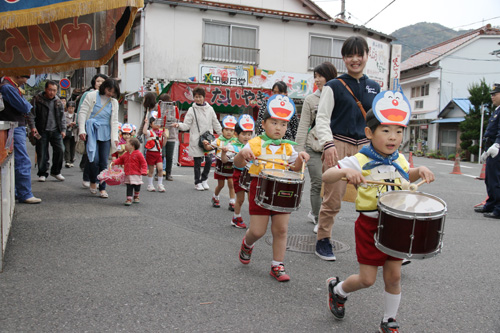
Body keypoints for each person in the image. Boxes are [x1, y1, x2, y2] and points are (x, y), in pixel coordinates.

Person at [322, 96, 434, 332]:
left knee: (394, 277)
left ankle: (389, 320)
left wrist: (419, 170)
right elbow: (327, 176)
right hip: (370, 226)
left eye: (398, 131)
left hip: (397, 226)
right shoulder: (359, 159)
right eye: (386, 130)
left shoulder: (399, 159)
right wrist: (345, 174)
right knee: (367, 280)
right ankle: (338, 290)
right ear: (369, 133)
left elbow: (408, 174)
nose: (393, 137)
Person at [314, 36, 381, 261]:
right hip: (337, 144)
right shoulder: (333, 86)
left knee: (377, 197)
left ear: (366, 55)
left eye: (359, 54)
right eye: (349, 55)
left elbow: (378, 122)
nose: (355, 60)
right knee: (333, 198)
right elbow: (322, 118)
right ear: (343, 58)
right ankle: (323, 240)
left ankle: (385, 244)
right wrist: (328, 144)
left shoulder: (375, 87)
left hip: (366, 148)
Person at [234, 94, 309, 282]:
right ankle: (247, 243)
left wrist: (300, 158)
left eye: (283, 124)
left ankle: (277, 265)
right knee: (257, 231)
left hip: (283, 189)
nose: (279, 128)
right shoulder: (255, 143)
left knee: (281, 230)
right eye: (274, 123)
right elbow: (237, 163)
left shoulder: (288, 147)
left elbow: (295, 169)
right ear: (264, 123)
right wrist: (243, 152)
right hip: (260, 188)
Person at [295, 62, 338, 233]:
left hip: (332, 149)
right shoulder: (310, 100)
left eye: (320, 76)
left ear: (330, 76)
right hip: (313, 148)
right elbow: (303, 125)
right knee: (318, 182)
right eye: (315, 76)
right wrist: (299, 150)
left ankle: (322, 214)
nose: (317, 80)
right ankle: (317, 217)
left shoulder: (338, 96)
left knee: (331, 185)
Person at [0, 75, 41, 204]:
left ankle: (19, 191)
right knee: (22, 160)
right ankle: (24, 193)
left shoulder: (11, 86)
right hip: (14, 126)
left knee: (15, 160)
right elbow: (25, 107)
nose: (27, 79)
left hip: (15, 125)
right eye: (26, 76)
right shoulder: (7, 86)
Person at [173, 87, 222, 191]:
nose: (198, 99)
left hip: (208, 139)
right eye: (196, 97)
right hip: (196, 139)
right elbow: (186, 125)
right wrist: (178, 125)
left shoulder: (210, 109)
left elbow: (215, 123)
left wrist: (223, 134)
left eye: (200, 97)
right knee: (197, 162)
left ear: (204, 97)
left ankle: (204, 179)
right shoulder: (191, 110)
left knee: (209, 160)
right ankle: (197, 182)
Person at [78, 78, 120, 199]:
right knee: (93, 160)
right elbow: (83, 113)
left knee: (103, 162)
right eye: (108, 90)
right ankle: (92, 181)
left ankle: (102, 188)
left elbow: (115, 120)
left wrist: (115, 137)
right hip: (92, 132)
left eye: (113, 92)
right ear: (104, 87)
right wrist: (82, 129)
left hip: (106, 133)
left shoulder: (114, 102)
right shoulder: (91, 96)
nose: (110, 93)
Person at [222, 114, 255, 228]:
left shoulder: (254, 146)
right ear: (236, 134)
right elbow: (224, 160)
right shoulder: (233, 146)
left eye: (249, 134)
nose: (247, 137)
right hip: (239, 174)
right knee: (240, 199)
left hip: (251, 175)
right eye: (244, 134)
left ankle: (255, 222)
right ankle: (236, 217)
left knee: (252, 200)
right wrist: (223, 152)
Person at [30, 80, 66, 182]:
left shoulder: (58, 101)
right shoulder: (37, 99)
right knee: (42, 152)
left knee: (60, 150)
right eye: (50, 90)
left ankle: (56, 171)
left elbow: (62, 117)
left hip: (56, 130)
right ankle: (42, 173)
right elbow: (31, 115)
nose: (52, 92)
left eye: (54, 90)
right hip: (41, 129)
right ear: (45, 89)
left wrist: (63, 129)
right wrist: (33, 127)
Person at [76, 73, 108, 188]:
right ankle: (88, 178)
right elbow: (81, 111)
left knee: (101, 159)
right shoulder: (88, 94)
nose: (100, 83)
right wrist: (81, 128)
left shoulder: (109, 97)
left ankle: (98, 182)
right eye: (98, 81)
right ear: (94, 82)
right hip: (89, 129)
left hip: (104, 131)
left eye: (102, 81)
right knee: (92, 156)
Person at [477, 83, 500, 218]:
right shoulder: (497, 110)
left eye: (495, 94)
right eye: (491, 95)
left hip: (497, 149)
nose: (492, 97)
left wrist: (497, 144)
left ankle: (498, 208)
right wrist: (486, 150)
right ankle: (490, 204)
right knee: (490, 179)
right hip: (491, 148)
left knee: (496, 180)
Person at [111, 137, 147, 206]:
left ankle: (136, 195)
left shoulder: (138, 154)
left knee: (137, 186)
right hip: (128, 173)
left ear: (132, 146)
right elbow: (120, 160)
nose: (125, 144)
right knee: (129, 186)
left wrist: (144, 170)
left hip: (136, 173)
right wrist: (114, 162)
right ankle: (129, 198)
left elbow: (143, 163)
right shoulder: (125, 154)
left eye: (127, 143)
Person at [211, 115, 237, 210]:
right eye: (227, 130)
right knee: (221, 184)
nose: (229, 132)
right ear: (222, 131)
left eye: (231, 130)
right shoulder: (218, 140)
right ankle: (215, 197)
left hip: (231, 164)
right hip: (221, 164)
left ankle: (232, 201)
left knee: (231, 184)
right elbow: (209, 147)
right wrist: (206, 144)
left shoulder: (236, 141)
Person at [143, 112, 168, 192]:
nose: (157, 125)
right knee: (151, 170)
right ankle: (150, 185)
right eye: (155, 123)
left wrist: (165, 138)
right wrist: (146, 123)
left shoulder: (161, 133)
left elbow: (163, 144)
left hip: (158, 153)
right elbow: (144, 132)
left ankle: (160, 184)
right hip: (150, 153)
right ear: (151, 124)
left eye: (159, 123)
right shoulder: (149, 132)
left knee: (160, 169)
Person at [159, 93, 178, 181]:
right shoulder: (159, 108)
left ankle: (168, 173)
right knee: (160, 155)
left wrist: (168, 117)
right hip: (161, 134)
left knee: (169, 156)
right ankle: (158, 172)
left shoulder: (174, 109)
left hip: (171, 135)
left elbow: (175, 120)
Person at [63, 101, 78, 168]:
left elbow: (79, 124)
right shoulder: (64, 115)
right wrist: (68, 125)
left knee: (73, 148)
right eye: (69, 108)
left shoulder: (76, 115)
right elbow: (62, 124)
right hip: (66, 133)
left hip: (74, 134)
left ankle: (71, 160)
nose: (71, 109)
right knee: (67, 148)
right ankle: (67, 161)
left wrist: (75, 124)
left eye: (72, 108)